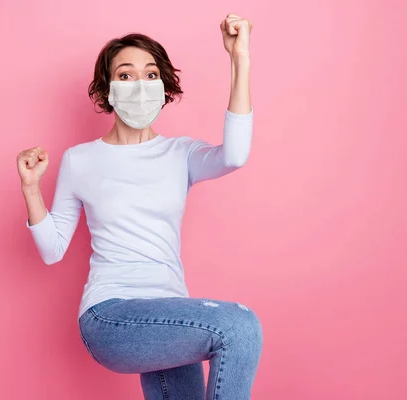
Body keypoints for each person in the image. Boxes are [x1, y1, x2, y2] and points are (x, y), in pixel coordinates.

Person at [16, 13, 262, 400]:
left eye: (151, 75)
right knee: (240, 326)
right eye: (126, 75)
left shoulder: (180, 154)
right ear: (108, 88)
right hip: (111, 315)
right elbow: (52, 250)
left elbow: (234, 155)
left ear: (164, 86)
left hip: (172, 316)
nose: (140, 85)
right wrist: (31, 189)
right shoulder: (80, 159)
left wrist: (239, 57)